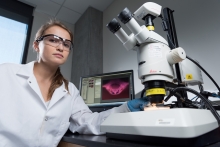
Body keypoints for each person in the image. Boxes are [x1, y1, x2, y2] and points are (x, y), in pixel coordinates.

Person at [0, 20, 149, 147]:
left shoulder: (69, 90)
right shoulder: (6, 73)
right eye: (53, 40)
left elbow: (88, 122)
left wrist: (126, 108)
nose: (60, 47)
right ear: (36, 45)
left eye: (66, 44)